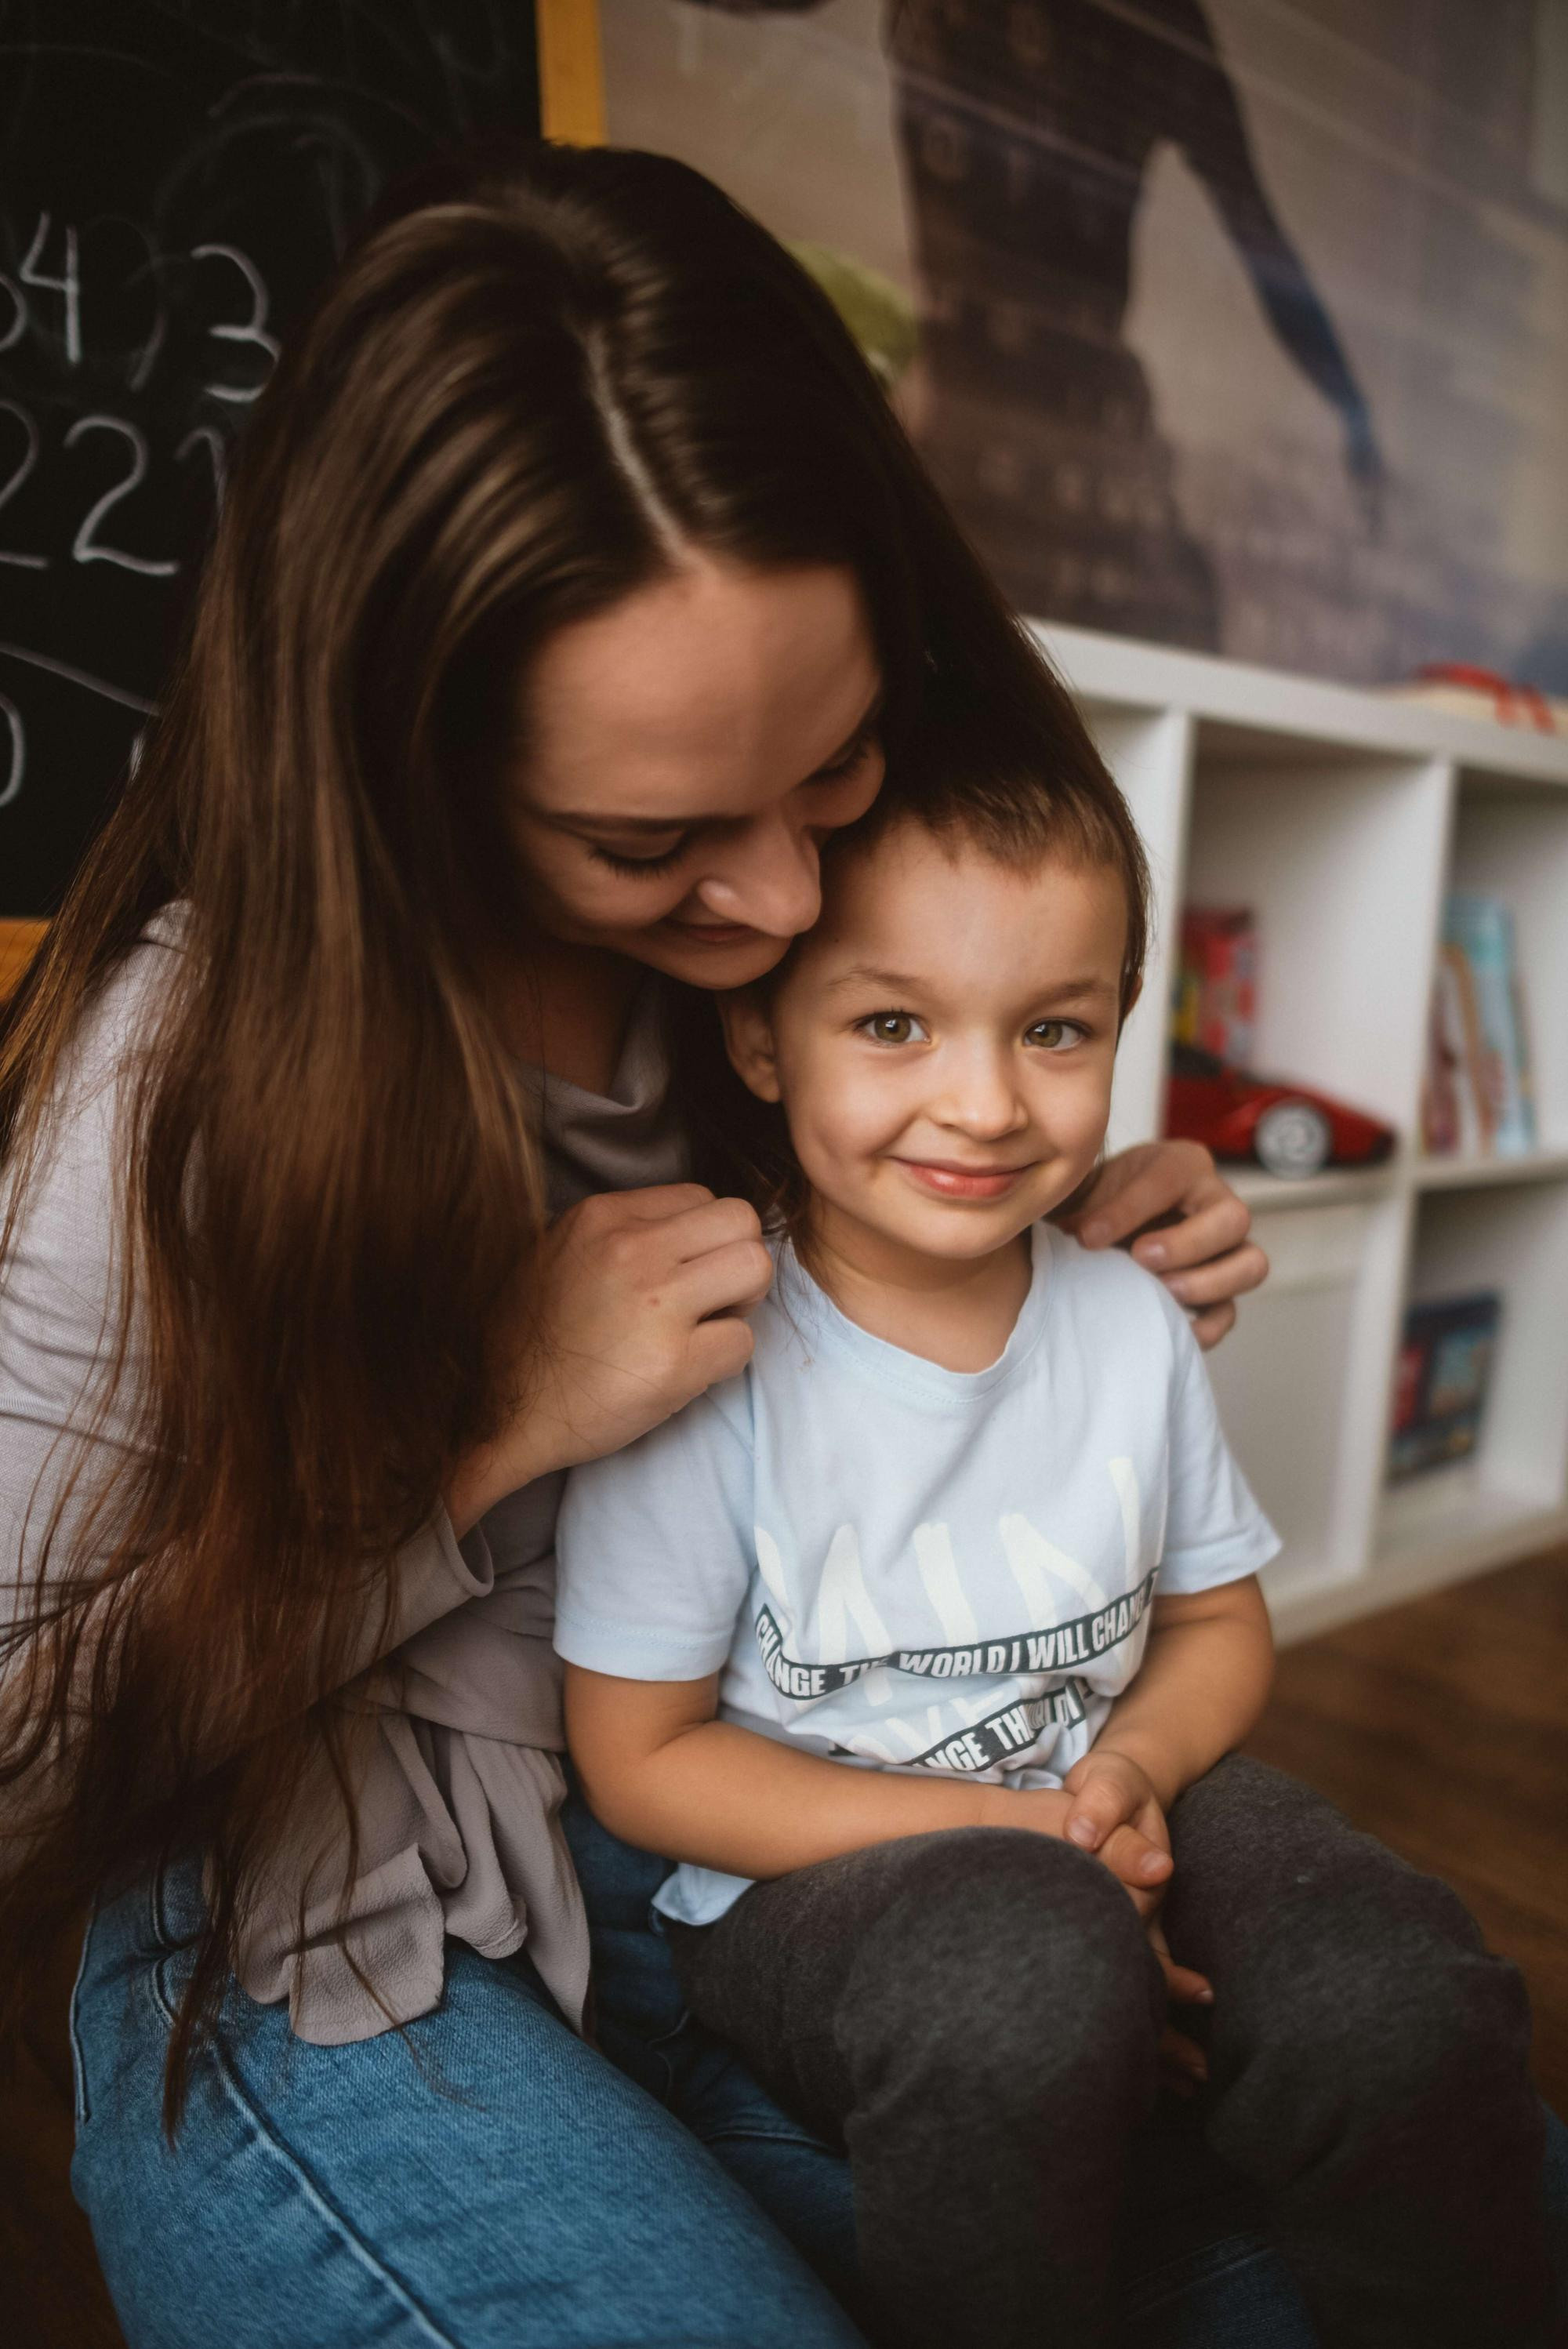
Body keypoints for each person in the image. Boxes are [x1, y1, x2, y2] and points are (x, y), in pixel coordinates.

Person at [0, 139, 1551, 2349]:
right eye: (652, 841)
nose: (793, 903)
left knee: (1449, 2158)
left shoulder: (838, 949)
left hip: (843, 1844)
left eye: (826, 772)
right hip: (366, 1920)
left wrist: (1043, 1241)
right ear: (408, 761)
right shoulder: (180, 1077)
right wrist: (490, 1427)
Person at [553, 708, 1555, 2349]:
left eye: (1053, 1029)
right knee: (1024, 1984)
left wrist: (1131, 1775)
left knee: (1395, 1988)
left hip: (1106, 1791)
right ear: (759, 1040)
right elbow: (643, 1765)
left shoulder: (1130, 1322)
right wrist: (1033, 1847)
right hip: (813, 1880)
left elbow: (1219, 1625)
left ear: (1119, 1027)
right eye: (892, 1022)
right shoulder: (714, 1356)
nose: (984, 1102)